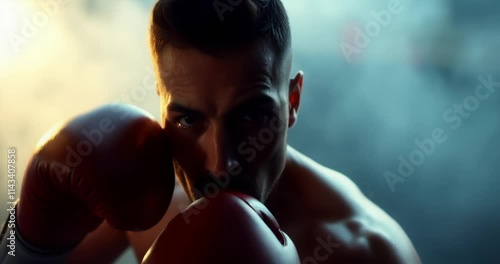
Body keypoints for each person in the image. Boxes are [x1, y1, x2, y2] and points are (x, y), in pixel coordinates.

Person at [1, 0, 421, 263]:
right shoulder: (141, 190)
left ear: (292, 101)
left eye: (251, 115)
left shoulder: (365, 250)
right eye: (189, 119)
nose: (221, 162)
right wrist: (33, 240)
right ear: (162, 105)